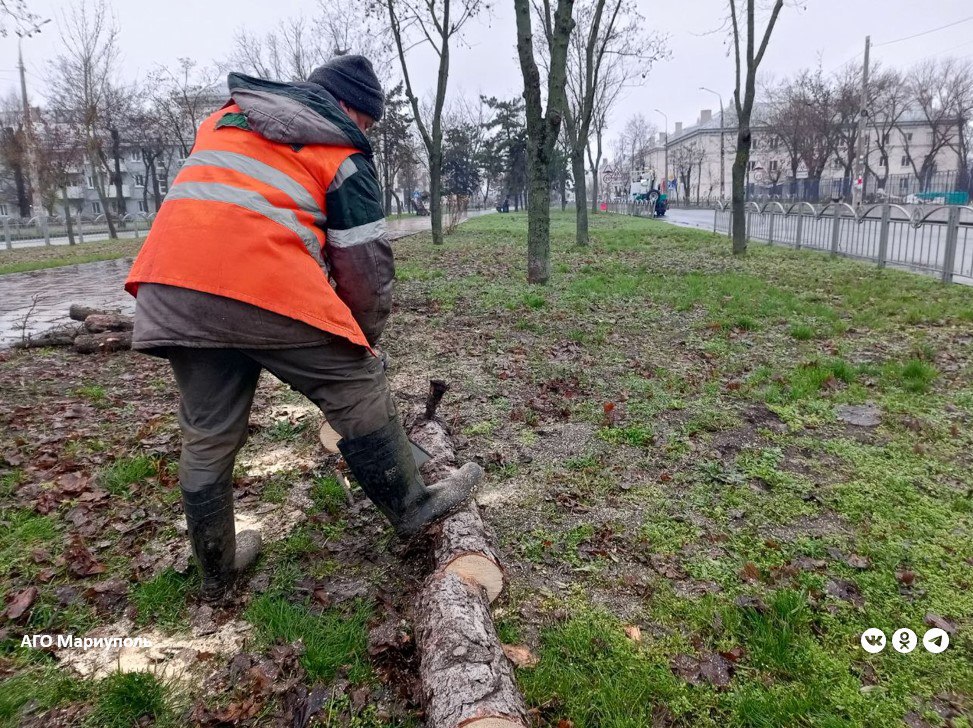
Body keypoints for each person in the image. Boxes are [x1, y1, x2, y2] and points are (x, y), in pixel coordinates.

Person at [125, 55, 480, 601]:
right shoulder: (341, 150)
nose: (365, 132)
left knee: (207, 431)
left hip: (171, 285)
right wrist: (362, 346)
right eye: (367, 122)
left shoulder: (224, 119)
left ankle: (216, 571)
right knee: (358, 386)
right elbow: (366, 270)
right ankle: (413, 506)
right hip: (260, 279)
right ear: (349, 110)